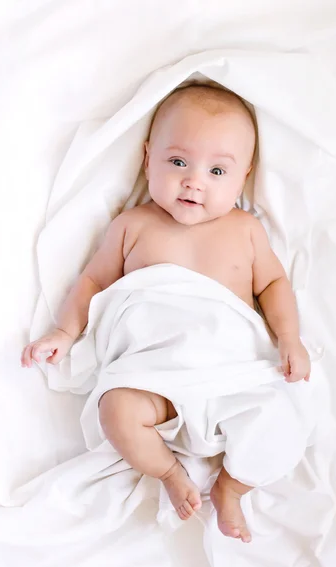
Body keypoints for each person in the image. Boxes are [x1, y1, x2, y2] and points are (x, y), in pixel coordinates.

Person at [21, 84, 311, 543]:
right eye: (178, 162)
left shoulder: (245, 230)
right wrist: (64, 330)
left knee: (284, 425)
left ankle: (231, 489)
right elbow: (93, 283)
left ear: (244, 177)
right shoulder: (132, 225)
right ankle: (170, 472)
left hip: (230, 376)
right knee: (114, 410)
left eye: (217, 170)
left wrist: (290, 338)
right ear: (147, 158)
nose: (195, 181)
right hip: (151, 376)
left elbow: (274, 284)